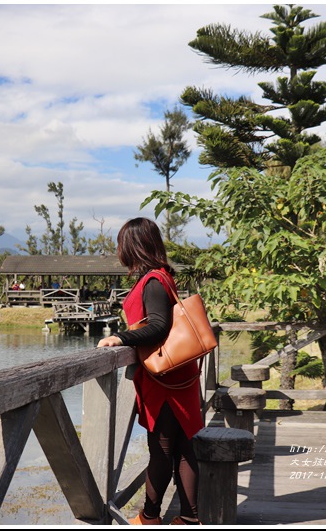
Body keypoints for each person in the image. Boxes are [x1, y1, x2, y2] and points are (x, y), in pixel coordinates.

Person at [97, 217, 202, 526]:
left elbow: (158, 326)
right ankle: (188, 519)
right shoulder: (162, 276)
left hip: (165, 377)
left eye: (121, 244)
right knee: (181, 447)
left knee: (162, 449)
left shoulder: (153, 281)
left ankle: (150, 517)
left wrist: (121, 338)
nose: (119, 250)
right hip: (177, 373)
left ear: (133, 246)